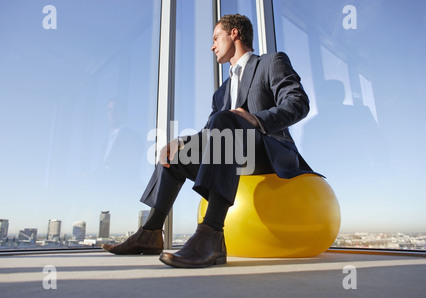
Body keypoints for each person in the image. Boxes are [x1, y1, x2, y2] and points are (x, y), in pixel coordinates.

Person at [102, 14, 319, 268]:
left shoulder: (271, 62)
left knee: (226, 121)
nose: (212, 45)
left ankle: (211, 235)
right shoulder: (221, 91)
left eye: (216, 38)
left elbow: (298, 103)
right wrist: (181, 142)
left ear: (235, 34)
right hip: (231, 152)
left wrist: (255, 119)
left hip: (269, 151)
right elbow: (210, 132)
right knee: (176, 153)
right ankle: (150, 233)